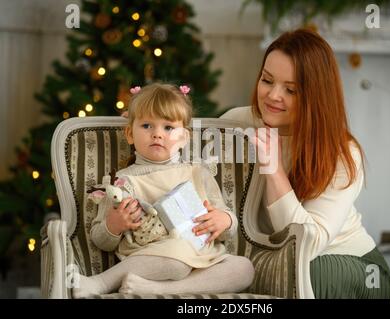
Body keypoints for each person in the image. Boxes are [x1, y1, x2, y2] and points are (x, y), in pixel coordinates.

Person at [220, 28, 390, 299]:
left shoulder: (342, 153)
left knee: (297, 274)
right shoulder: (236, 122)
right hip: (274, 260)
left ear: (316, 96)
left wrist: (275, 170)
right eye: (267, 80)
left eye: (291, 90)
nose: (273, 96)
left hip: (347, 264)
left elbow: (306, 247)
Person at [72, 83, 254, 298]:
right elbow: (100, 239)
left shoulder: (198, 173)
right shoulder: (123, 182)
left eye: (168, 128)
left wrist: (224, 220)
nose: (157, 134)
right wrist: (114, 225)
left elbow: (226, 228)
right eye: (147, 126)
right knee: (177, 261)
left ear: (184, 137)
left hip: (203, 257)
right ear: (130, 134)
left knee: (244, 269)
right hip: (158, 258)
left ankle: (155, 290)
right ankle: (100, 283)